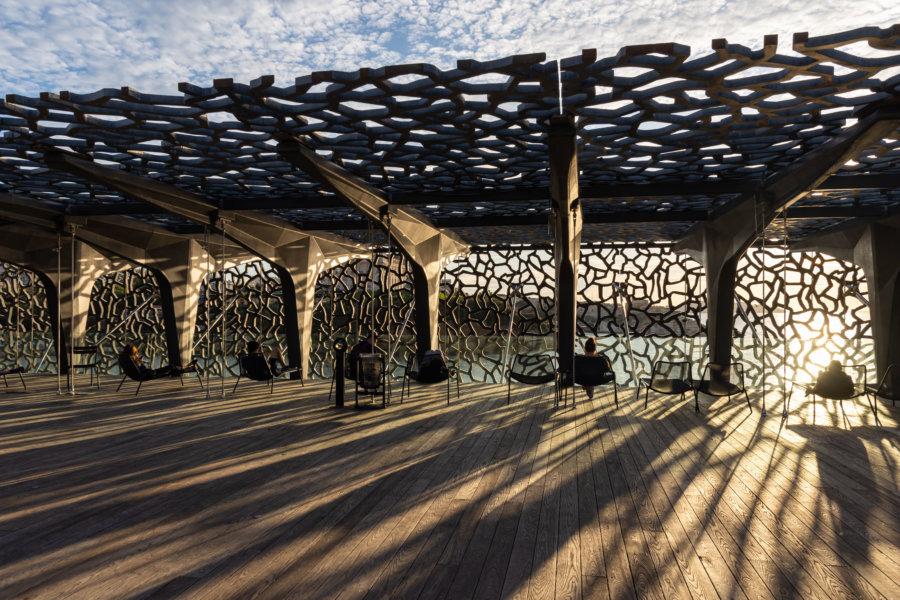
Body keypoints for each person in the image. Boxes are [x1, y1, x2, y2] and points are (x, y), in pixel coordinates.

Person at [120, 343, 196, 378]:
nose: (137, 353)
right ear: (133, 352)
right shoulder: (133, 361)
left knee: (172, 369)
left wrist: (138, 362)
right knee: (171, 367)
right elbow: (142, 369)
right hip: (150, 374)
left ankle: (188, 368)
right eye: (135, 352)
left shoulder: (128, 360)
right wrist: (141, 362)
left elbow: (138, 370)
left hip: (145, 374)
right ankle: (187, 367)